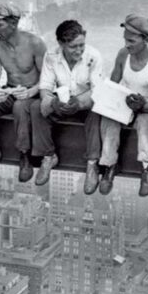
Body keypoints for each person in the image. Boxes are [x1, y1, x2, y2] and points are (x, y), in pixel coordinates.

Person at [0, 3, 46, 181]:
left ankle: (24, 155)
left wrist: (31, 92)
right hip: (11, 90)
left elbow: (47, 79)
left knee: (20, 107)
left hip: (33, 93)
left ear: (13, 24)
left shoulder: (35, 43)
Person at [98, 14, 148, 196]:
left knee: (144, 125)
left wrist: (143, 103)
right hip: (123, 102)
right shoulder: (123, 54)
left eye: (132, 41)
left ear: (146, 40)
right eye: (125, 40)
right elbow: (114, 82)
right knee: (109, 121)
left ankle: (147, 168)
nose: (127, 44)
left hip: (143, 106)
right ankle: (109, 165)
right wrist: (110, 100)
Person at [31, 20, 102, 188]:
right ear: (61, 44)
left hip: (85, 102)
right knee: (36, 108)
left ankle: (92, 163)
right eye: (73, 47)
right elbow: (45, 87)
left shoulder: (93, 56)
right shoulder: (51, 56)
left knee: (97, 111)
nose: (79, 51)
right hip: (62, 101)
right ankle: (48, 156)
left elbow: (96, 89)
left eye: (81, 45)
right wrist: (53, 103)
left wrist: (79, 102)